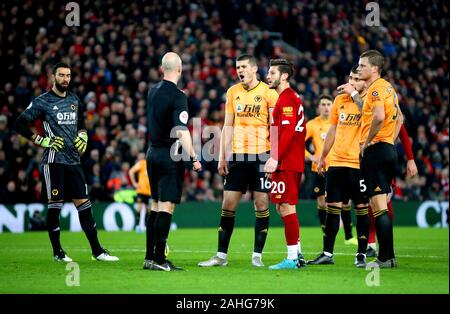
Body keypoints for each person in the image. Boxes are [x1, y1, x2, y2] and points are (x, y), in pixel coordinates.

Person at [13, 62, 118, 262]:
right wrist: (41, 140)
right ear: (53, 77)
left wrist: (84, 135)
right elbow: (19, 123)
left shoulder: (74, 100)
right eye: (61, 75)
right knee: (56, 205)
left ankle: (97, 251)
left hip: (74, 160)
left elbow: (81, 123)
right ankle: (58, 253)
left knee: (84, 205)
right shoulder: (43, 101)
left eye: (68, 75)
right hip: (54, 161)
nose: (65, 79)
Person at [198, 54, 278, 268]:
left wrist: (275, 156)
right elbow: (227, 126)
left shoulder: (269, 94)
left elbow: (275, 127)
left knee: (261, 204)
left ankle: (257, 256)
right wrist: (221, 156)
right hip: (237, 156)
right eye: (237, 67)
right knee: (228, 204)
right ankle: (221, 256)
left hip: (262, 155)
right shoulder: (233, 92)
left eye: (243, 67)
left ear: (253, 69)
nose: (239, 71)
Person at [143, 52, 201, 271]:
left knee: (155, 206)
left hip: (152, 153)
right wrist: (194, 157)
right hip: (169, 155)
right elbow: (181, 130)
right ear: (179, 69)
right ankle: (159, 260)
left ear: (161, 68)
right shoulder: (178, 96)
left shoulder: (152, 91)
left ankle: (149, 258)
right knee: (167, 207)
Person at [307, 66, 370, 268]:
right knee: (331, 208)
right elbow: (333, 130)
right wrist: (323, 156)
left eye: (356, 79)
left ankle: (361, 254)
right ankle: (327, 253)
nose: (352, 82)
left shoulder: (368, 98)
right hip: (336, 163)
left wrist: (354, 93)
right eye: (350, 78)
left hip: (359, 164)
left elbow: (369, 115)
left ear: (365, 81)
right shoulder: (339, 100)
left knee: (361, 208)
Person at [358, 50, 403, 268]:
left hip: (375, 152)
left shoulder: (375, 89)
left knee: (378, 207)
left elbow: (379, 117)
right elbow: (400, 119)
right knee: (382, 203)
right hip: (388, 150)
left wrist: (367, 142)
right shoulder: (388, 88)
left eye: (362, 65)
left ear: (374, 68)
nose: (359, 69)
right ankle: (390, 255)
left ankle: (384, 258)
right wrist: (389, 141)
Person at [263, 58, 307, 270]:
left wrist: (274, 158)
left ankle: (292, 259)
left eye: (272, 73)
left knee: (286, 206)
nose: (268, 76)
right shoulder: (285, 98)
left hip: (287, 161)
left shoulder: (287, 98)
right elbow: (278, 131)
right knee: (282, 207)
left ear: (285, 76)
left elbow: (288, 132)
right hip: (287, 160)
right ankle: (297, 254)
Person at [305, 95, 357, 245]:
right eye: (323, 104)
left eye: (329, 104)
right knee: (322, 202)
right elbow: (298, 142)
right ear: (319, 107)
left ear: (333, 106)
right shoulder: (312, 124)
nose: (326, 107)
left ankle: (349, 236)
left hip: (338, 166)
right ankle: (326, 232)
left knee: (346, 203)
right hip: (319, 170)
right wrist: (310, 156)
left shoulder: (340, 122)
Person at [129, 152, 151, 233]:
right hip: (141, 190)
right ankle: (137, 226)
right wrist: (134, 183)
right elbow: (131, 171)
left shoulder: (148, 164)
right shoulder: (141, 164)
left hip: (149, 192)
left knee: (149, 210)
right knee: (139, 208)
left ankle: (146, 226)